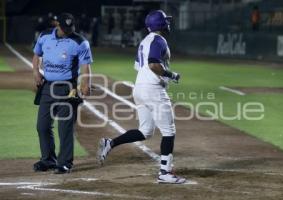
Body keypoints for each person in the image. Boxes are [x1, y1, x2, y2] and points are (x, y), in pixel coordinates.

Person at [98, 10, 186, 184]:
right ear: (160, 25)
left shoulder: (144, 41)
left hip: (139, 88)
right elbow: (153, 64)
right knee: (169, 131)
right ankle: (165, 172)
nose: (168, 24)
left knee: (145, 131)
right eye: (165, 21)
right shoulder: (159, 40)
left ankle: (111, 143)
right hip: (153, 89)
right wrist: (171, 75)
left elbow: (139, 67)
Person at [32, 13, 92, 174]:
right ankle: (48, 160)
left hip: (69, 88)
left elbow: (85, 66)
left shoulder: (80, 42)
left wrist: (86, 84)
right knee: (42, 126)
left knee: (65, 127)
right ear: (57, 25)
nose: (67, 31)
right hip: (47, 88)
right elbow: (37, 54)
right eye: (64, 28)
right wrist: (36, 72)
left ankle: (65, 162)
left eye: (70, 28)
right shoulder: (44, 36)